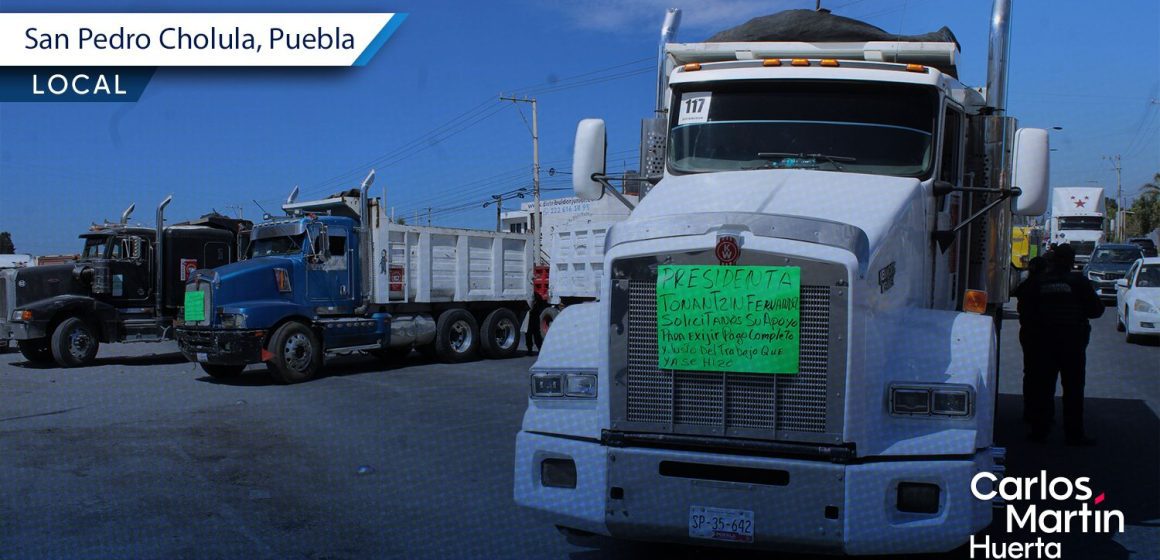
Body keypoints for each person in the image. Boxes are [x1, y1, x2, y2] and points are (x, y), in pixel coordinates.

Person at [1019, 243, 1104, 445]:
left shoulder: (1037, 283)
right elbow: (1096, 310)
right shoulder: (1079, 282)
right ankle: (1074, 434)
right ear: (1071, 261)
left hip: (1043, 343)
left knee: (1043, 387)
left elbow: (1024, 310)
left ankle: (1040, 430)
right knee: (1074, 389)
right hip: (1072, 344)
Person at [1013, 254, 1049, 424]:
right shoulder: (1048, 284)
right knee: (1046, 375)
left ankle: (1031, 411)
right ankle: (1045, 412)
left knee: (1031, 374)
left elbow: (1017, 297)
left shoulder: (1028, 285)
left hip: (1030, 333)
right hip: (1046, 334)